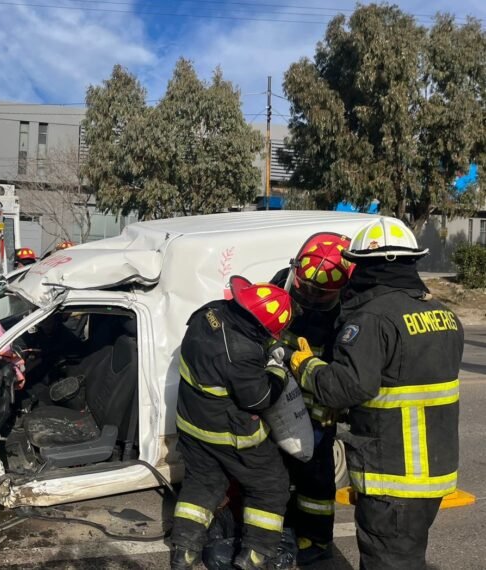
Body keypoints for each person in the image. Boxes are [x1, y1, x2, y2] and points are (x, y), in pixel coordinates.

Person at [289, 217, 464, 570]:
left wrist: (306, 365)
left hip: (393, 475)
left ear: (362, 266)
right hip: (433, 472)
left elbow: (347, 387)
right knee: (408, 555)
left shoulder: (371, 319)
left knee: (388, 560)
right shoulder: (443, 315)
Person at [171, 276, 293, 570]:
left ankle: (184, 552)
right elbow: (258, 399)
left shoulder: (207, 314)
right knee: (271, 486)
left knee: (202, 483)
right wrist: (277, 371)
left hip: (191, 423)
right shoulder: (240, 352)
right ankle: (256, 555)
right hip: (228, 433)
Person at [269, 232, 353, 565]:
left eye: (322, 294)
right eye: (306, 288)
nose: (312, 297)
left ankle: (317, 540)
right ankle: (284, 529)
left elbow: (342, 371)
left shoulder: (346, 313)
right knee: (277, 473)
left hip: (318, 411)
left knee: (316, 481)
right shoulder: (283, 283)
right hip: (276, 399)